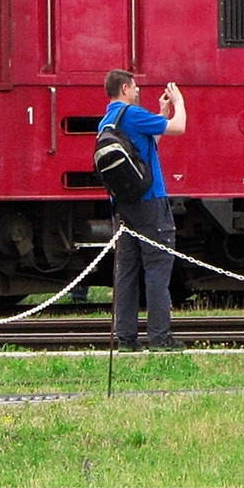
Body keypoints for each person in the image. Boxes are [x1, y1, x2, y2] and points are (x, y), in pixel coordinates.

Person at [102, 70, 187, 352]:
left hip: (124, 206)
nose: (137, 91)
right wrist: (179, 103)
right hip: (151, 202)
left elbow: (145, 153)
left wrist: (161, 112)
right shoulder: (133, 114)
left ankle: (125, 338)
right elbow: (179, 128)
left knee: (127, 270)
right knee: (157, 268)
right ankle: (160, 337)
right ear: (125, 88)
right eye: (135, 87)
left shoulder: (108, 121)